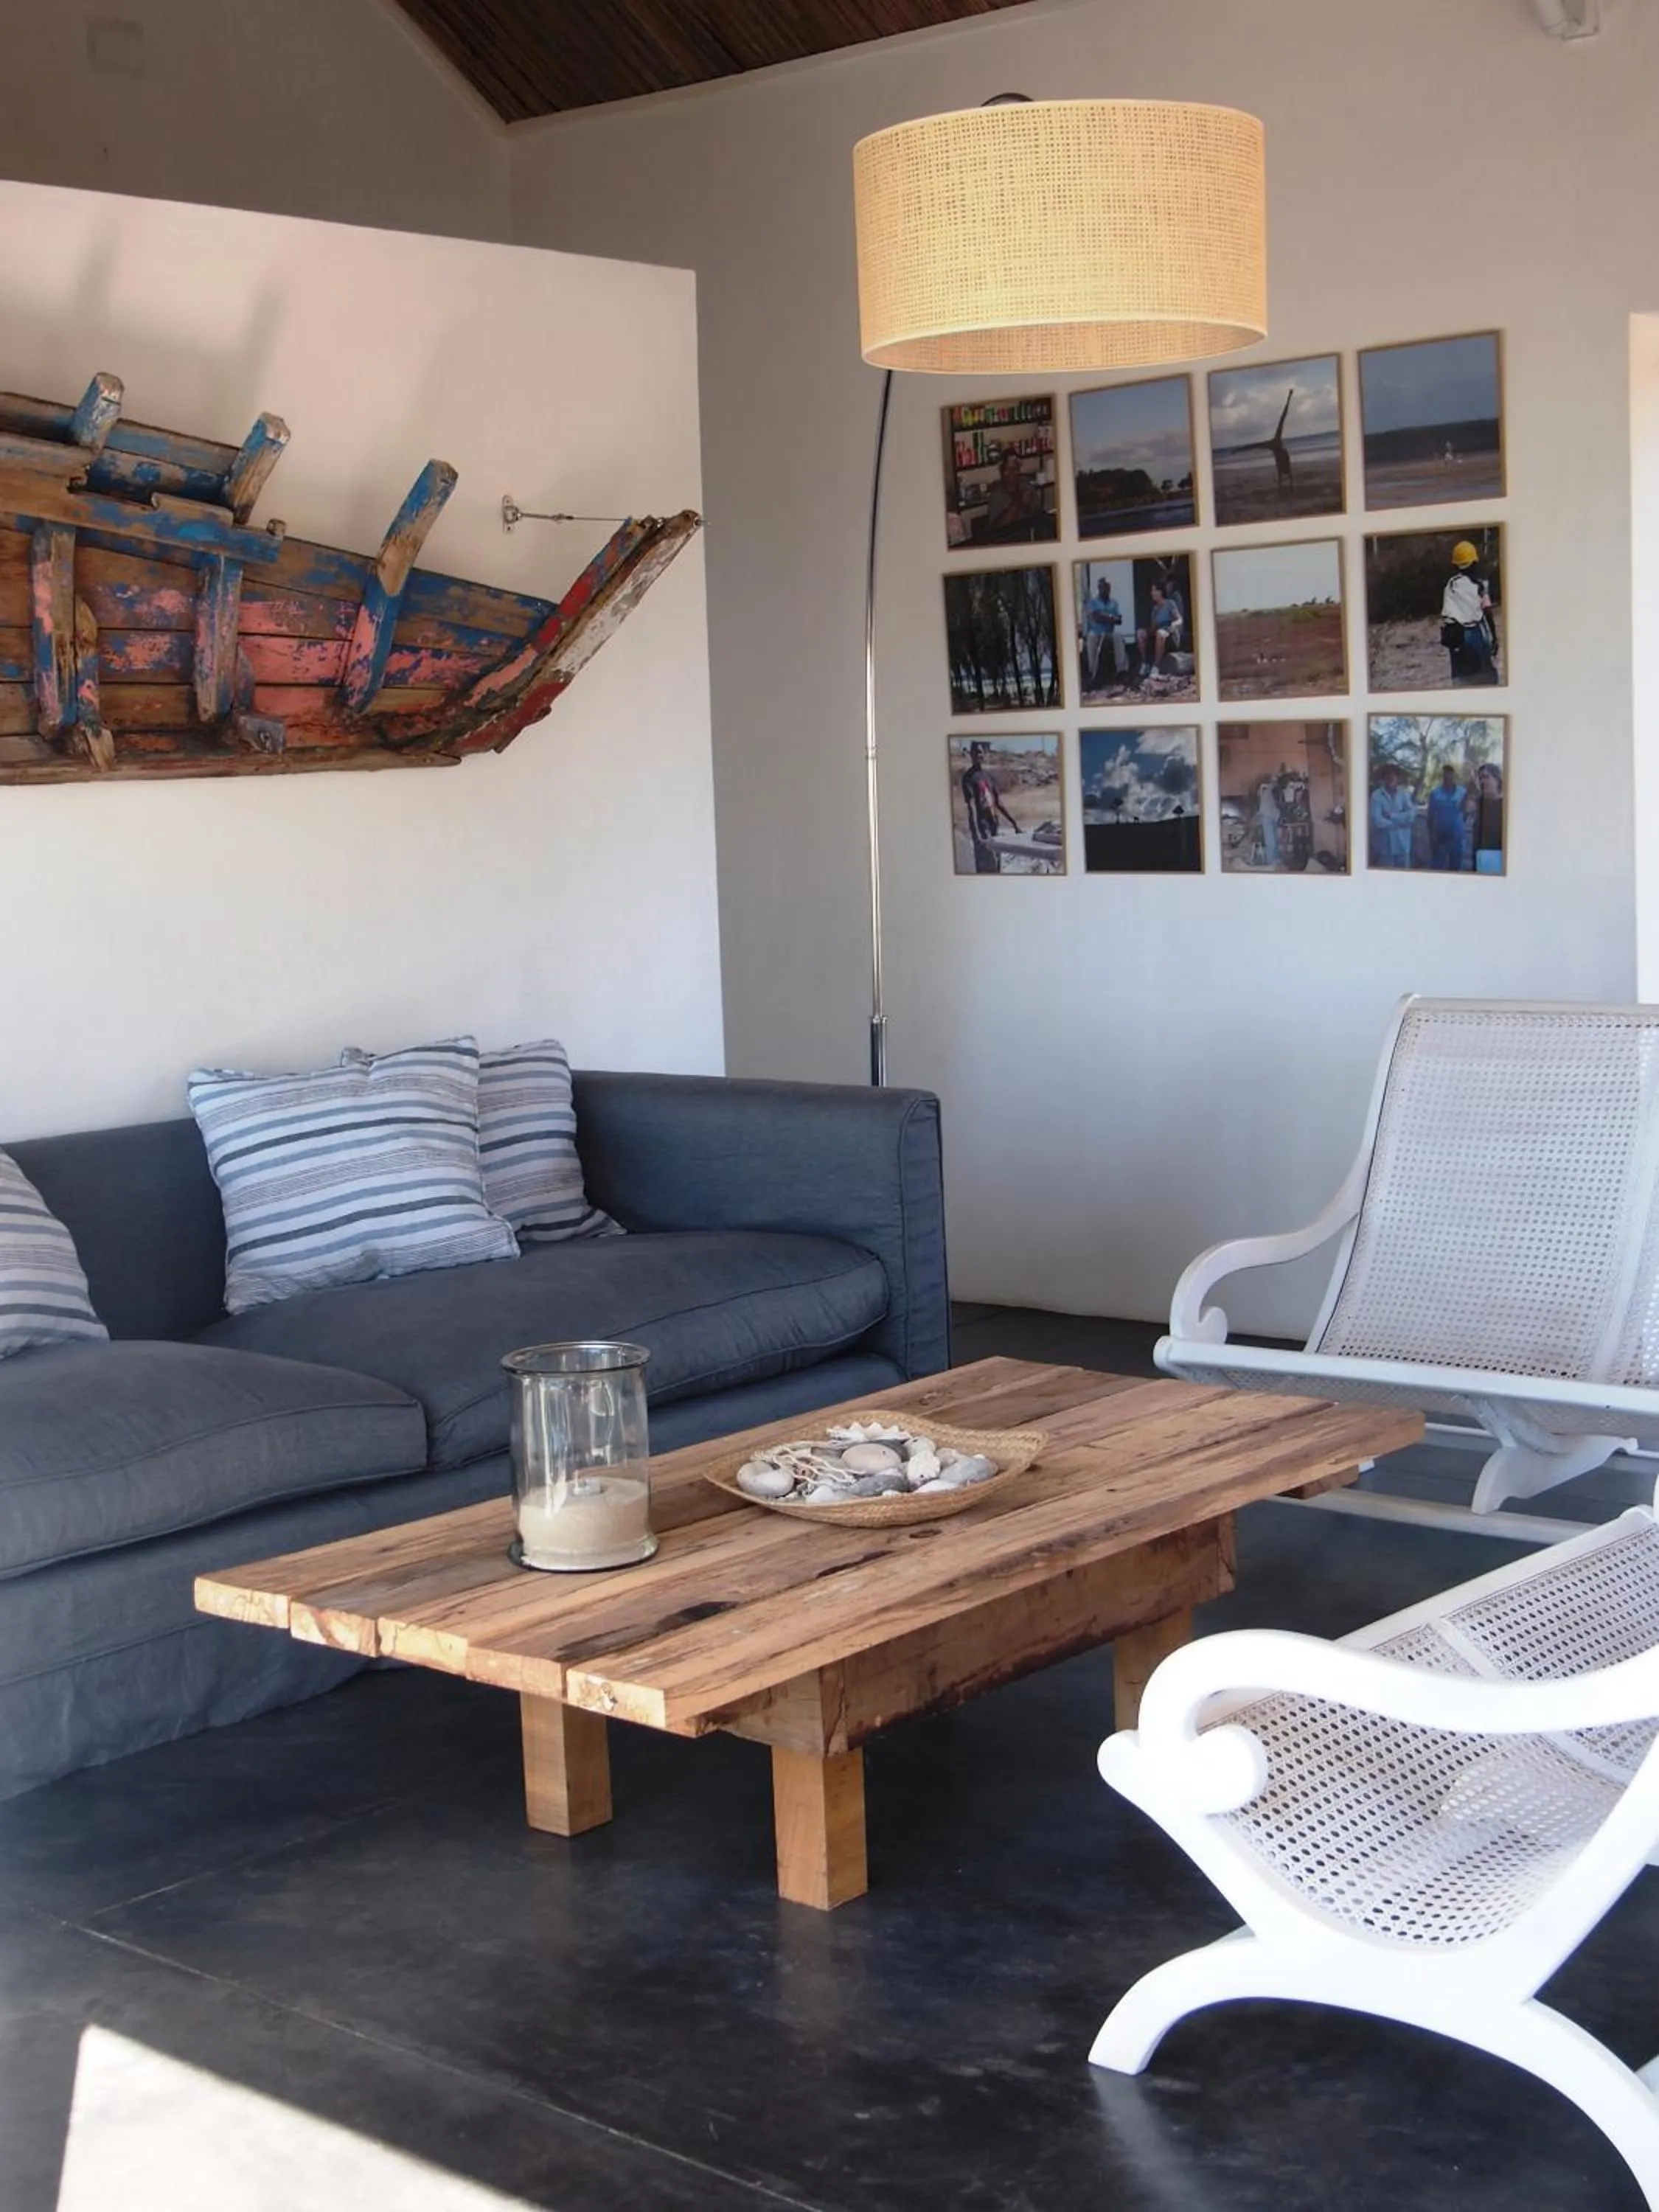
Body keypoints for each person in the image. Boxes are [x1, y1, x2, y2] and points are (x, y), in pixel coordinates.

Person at [1441, 540, 1498, 685]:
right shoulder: (1480, 585)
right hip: (1477, 634)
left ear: (1455, 565)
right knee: (1484, 676)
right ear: (1475, 563)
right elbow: (1487, 611)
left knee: (1462, 679)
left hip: (1457, 636)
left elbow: (1448, 615)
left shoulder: (1451, 585)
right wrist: (1494, 638)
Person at [961, 741, 1020, 873]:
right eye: (976, 752)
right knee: (987, 863)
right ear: (971, 755)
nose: (979, 755)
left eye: (981, 752)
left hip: (994, 824)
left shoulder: (988, 776)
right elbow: (971, 807)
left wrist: (1014, 823)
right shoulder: (968, 778)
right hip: (982, 827)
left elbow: (998, 802)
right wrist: (976, 833)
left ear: (984, 754)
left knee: (997, 862)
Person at [981, 450, 1042, 543]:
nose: (1011, 473)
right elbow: (997, 528)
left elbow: (1039, 515)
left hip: (1029, 537)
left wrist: (1027, 506)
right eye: (1007, 469)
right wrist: (1018, 502)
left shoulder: (1027, 487)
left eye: (1014, 469)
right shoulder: (996, 495)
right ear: (1001, 471)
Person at [1137, 582, 1183, 687]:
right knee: (1141, 633)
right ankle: (1145, 664)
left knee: (1160, 633)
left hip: (1170, 636)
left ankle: (1156, 667)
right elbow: (1154, 629)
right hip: (1158, 636)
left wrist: (1172, 626)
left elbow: (1179, 620)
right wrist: (1147, 633)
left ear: (1160, 592)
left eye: (1154, 590)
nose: (1152, 593)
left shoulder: (1170, 603)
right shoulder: (1155, 609)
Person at [1370, 762, 1415, 867]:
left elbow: (1411, 816)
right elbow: (1377, 821)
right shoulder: (1377, 796)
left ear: (1397, 778)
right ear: (1383, 778)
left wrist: (1391, 816)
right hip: (1384, 848)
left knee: (1404, 879)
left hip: (1403, 845)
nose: (1391, 778)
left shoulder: (1404, 793)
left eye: (1394, 775)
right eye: (1388, 775)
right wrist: (1401, 822)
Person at [1427, 763, 1469, 870]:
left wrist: (1460, 825)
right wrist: (1431, 837)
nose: (1448, 776)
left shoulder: (1463, 792)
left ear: (1454, 775)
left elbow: (1466, 812)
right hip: (1440, 838)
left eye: (1450, 774)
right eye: (1445, 774)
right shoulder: (1435, 793)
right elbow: (1430, 817)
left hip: (1457, 838)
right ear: (1443, 776)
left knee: (1456, 868)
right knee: (1436, 868)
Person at [1082, 577, 1122, 689]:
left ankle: (1121, 670)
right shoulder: (1093, 602)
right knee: (1091, 638)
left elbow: (1119, 620)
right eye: (1103, 587)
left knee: (1118, 637)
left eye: (1108, 587)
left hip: (1109, 633)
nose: (1106, 589)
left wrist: (1106, 617)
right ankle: (1092, 671)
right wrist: (1111, 617)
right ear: (1099, 588)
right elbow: (1096, 617)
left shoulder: (1114, 602)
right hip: (1096, 632)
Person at [1256, 776, 1280, 868]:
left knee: (1275, 842)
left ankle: (1276, 861)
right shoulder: (1269, 791)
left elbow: (1275, 808)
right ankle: (1271, 864)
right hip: (1267, 818)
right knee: (1271, 842)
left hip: (1270, 817)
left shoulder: (1271, 792)